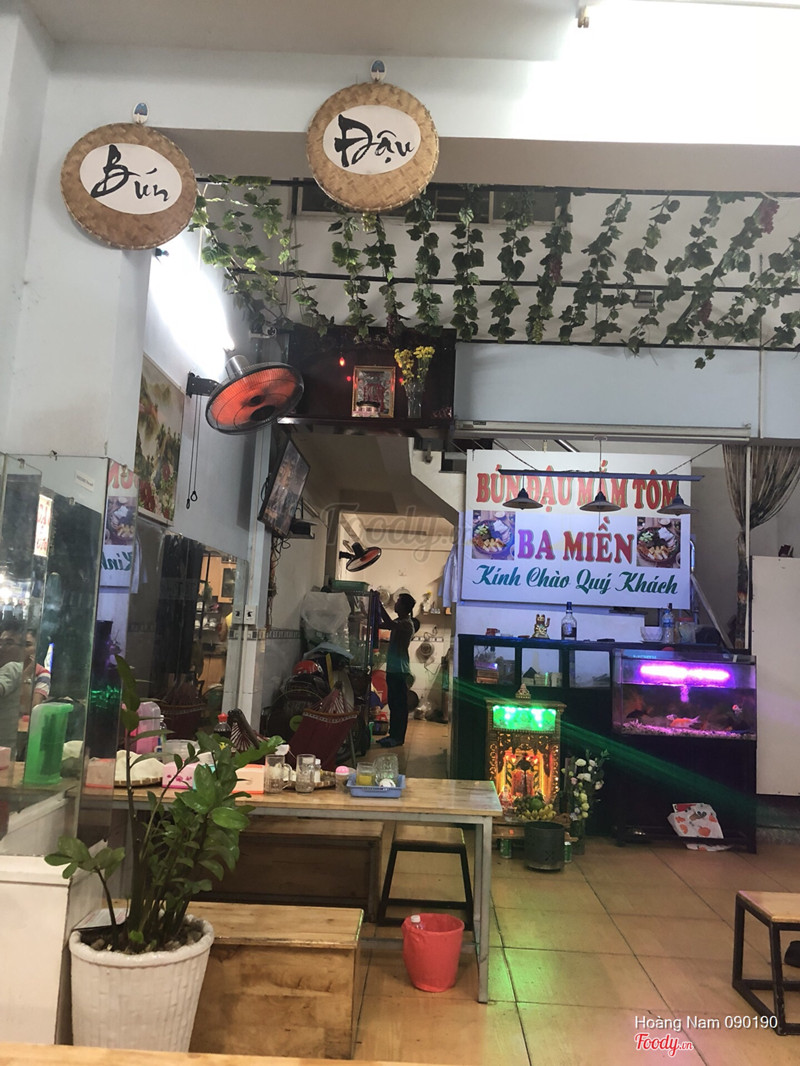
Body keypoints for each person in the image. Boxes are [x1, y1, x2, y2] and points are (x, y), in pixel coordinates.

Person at [376, 593, 416, 749]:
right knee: (394, 704)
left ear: (405, 607)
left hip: (400, 670)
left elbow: (388, 623)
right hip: (393, 670)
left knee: (399, 706)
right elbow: (383, 625)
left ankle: (398, 738)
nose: (396, 604)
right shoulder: (400, 621)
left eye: (398, 601)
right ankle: (393, 735)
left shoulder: (407, 624)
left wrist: (378, 605)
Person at [0, 620, 25, 756]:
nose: (1, 647)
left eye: (8, 643)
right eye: (0, 642)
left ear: (22, 648)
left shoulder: (13, 668)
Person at [22, 629, 51, 708]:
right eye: (20, 644)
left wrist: (26, 676)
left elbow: (33, 707)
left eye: (27, 645)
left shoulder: (42, 673)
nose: (22, 648)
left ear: (37, 648)